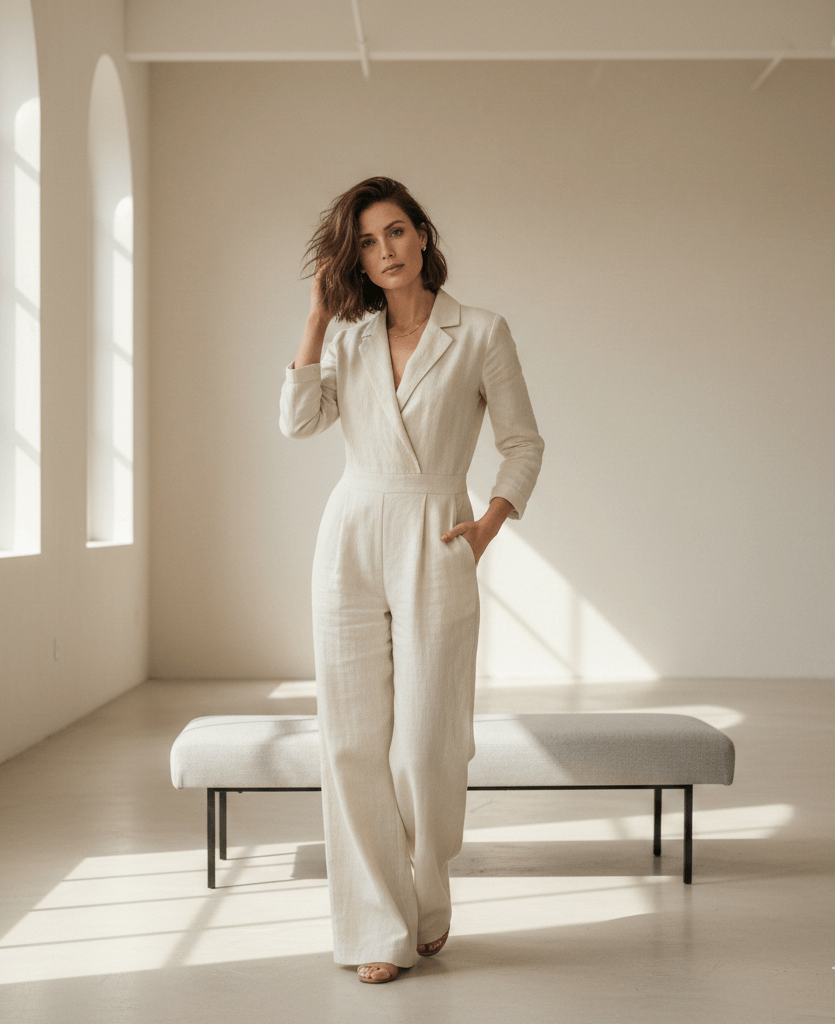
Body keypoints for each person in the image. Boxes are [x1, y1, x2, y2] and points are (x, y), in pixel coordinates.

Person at [280, 177, 544, 984]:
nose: (385, 251)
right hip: (351, 537)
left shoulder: (480, 331)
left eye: (395, 232)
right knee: (351, 739)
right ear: (355, 259)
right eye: (366, 242)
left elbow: (523, 443)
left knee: (428, 742)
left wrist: (487, 525)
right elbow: (298, 421)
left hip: (436, 533)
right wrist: (317, 317)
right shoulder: (350, 340)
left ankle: (428, 892)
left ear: (422, 236)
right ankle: (375, 926)